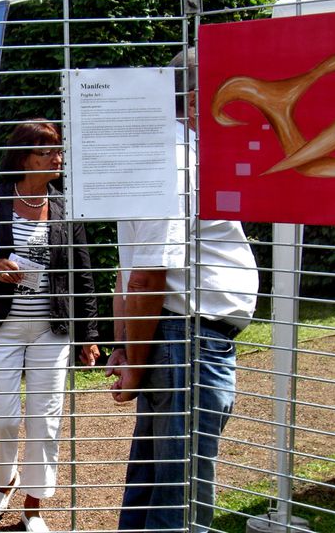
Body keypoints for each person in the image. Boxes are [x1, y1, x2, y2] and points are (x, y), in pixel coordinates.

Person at [106, 49, 259, 532]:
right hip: (186, 340)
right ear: (196, 101)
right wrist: (132, 357)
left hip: (174, 336)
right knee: (181, 491)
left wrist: (128, 347)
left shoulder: (163, 154)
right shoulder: (175, 161)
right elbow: (147, 273)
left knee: (159, 479)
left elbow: (130, 266)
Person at [0, 119, 101, 533]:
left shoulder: (67, 206)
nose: (57, 157)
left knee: (45, 419)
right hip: (0, 327)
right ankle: (5, 479)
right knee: (1, 416)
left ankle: (33, 505)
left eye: (59, 150)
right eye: (46, 151)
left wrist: (89, 335)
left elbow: (82, 271)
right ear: (23, 158)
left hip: (53, 330)